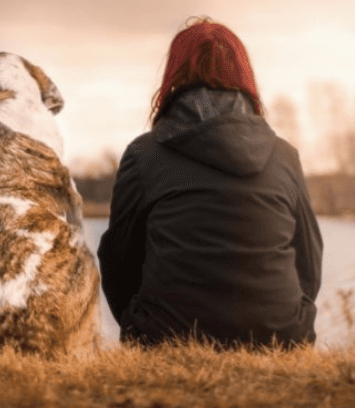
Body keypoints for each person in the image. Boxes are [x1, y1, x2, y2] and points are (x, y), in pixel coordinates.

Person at [97, 17, 323, 349]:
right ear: (243, 75)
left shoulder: (143, 155)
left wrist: (138, 324)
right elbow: (309, 261)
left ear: (174, 76)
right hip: (279, 339)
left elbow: (118, 260)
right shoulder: (284, 156)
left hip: (167, 338)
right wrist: (288, 321)